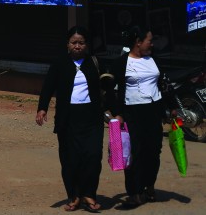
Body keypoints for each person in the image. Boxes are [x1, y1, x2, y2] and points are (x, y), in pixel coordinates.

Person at [36, 26, 105, 213]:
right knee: (70, 159)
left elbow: (106, 87)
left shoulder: (94, 62)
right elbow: (48, 87)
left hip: (91, 118)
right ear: (67, 44)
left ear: (87, 45)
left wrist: (115, 112)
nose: (77, 46)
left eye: (81, 43)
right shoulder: (59, 63)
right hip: (68, 118)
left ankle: (89, 194)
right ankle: (74, 196)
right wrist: (42, 108)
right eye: (73, 42)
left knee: (92, 156)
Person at [109, 25, 168, 208]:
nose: (152, 44)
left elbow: (164, 85)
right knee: (134, 154)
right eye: (149, 40)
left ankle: (149, 185)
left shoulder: (154, 60)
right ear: (138, 42)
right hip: (132, 114)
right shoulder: (121, 63)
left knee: (153, 152)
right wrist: (117, 113)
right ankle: (134, 191)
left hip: (153, 111)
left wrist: (171, 108)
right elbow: (110, 90)